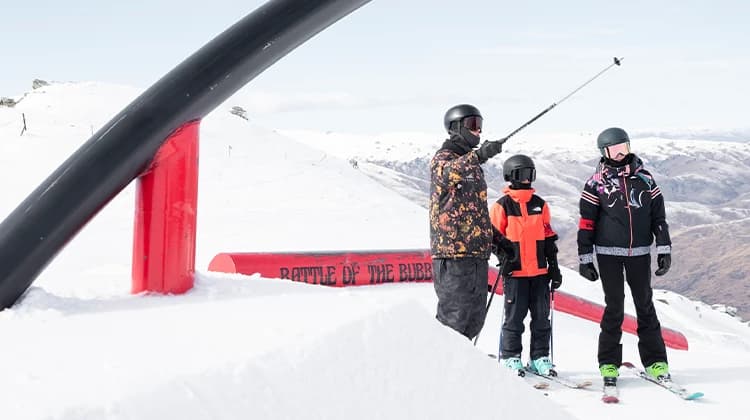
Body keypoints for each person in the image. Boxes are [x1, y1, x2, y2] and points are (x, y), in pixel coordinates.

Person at [577, 127, 673, 388]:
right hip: (608, 254)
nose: (620, 155)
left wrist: (663, 249)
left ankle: (655, 361)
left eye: (624, 148)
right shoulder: (596, 183)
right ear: (603, 153)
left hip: (640, 253)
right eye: (614, 150)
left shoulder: (645, 179)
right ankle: (609, 361)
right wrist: (585, 258)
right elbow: (587, 223)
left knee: (645, 306)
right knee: (615, 307)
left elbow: (658, 218)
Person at [429, 104, 505, 340]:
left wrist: (498, 242)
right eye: (473, 125)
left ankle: (462, 370)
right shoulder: (443, 159)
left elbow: (475, 213)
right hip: (453, 254)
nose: (478, 132)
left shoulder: (472, 166)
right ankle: (439, 368)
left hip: (476, 254)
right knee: (454, 319)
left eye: (480, 126)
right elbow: (446, 173)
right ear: (456, 128)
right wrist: (480, 155)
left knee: (474, 319)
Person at [489, 154, 561, 376]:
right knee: (514, 318)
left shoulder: (540, 205)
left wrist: (554, 267)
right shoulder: (502, 206)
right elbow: (492, 237)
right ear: (510, 176)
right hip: (516, 272)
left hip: (539, 272)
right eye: (522, 174)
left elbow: (548, 238)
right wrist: (504, 259)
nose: (527, 180)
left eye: (530, 174)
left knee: (541, 318)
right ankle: (511, 357)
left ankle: (540, 357)